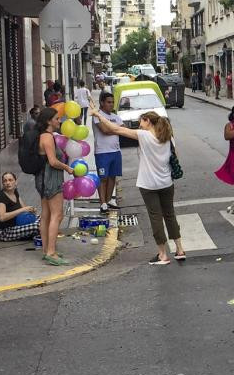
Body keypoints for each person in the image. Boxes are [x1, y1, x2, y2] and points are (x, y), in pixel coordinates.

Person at [94, 110, 186, 264]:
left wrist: (98, 116)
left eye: (141, 122)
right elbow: (175, 156)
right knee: (170, 214)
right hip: (166, 182)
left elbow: (115, 129)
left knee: (155, 216)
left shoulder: (144, 136)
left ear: (147, 121)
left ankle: (162, 254)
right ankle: (180, 249)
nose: (139, 125)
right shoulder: (168, 137)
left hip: (148, 184)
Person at [34, 107, 75, 266]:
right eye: (57, 119)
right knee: (57, 215)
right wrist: (67, 168)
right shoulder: (47, 137)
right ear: (48, 121)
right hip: (50, 179)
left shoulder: (43, 135)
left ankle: (46, 250)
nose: (59, 121)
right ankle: (51, 252)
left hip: (43, 179)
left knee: (46, 214)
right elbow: (52, 161)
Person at [93, 91, 123, 213]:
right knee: (103, 178)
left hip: (116, 151)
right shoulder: (97, 115)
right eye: (109, 102)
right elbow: (104, 130)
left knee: (112, 177)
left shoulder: (116, 116)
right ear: (102, 103)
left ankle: (109, 200)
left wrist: (117, 129)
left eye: (112, 102)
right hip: (102, 152)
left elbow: (124, 129)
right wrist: (116, 129)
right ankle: (103, 203)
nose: (111, 105)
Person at [0, 172, 39, 241]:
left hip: (16, 223)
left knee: (43, 218)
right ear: (3, 184)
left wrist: (31, 210)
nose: (8, 183)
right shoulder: (1, 197)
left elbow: (23, 208)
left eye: (10, 180)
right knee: (37, 226)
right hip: (5, 231)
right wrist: (22, 210)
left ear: (16, 182)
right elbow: (2, 217)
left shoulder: (14, 191)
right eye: (5, 181)